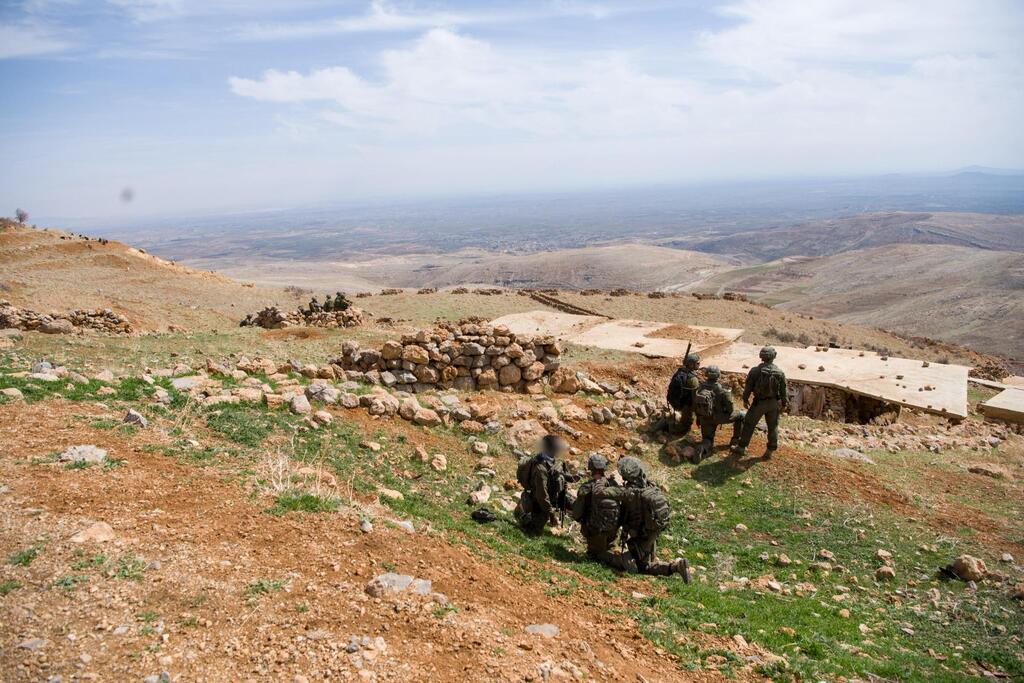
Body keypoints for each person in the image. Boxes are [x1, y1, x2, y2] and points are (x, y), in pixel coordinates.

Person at [606, 457, 689, 580]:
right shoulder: (649, 486)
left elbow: (622, 518)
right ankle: (653, 556)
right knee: (647, 555)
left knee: (643, 567)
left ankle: (675, 567)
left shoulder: (631, 494)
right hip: (653, 531)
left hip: (642, 534)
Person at [732, 346, 788, 458]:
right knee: (773, 426)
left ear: (761, 357)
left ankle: (742, 447)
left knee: (749, 424)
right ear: (774, 357)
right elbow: (783, 391)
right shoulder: (780, 373)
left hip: (759, 403)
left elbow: (748, 388)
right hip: (773, 404)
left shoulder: (755, 371)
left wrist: (745, 399)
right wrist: (784, 404)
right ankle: (770, 451)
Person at [515, 435, 570, 535]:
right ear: (552, 448)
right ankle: (524, 515)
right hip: (538, 502)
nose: (559, 449)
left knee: (572, 502)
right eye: (557, 447)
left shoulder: (548, 459)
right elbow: (542, 495)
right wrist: (551, 513)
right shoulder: (541, 469)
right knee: (534, 532)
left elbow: (554, 473)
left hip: (547, 496)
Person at [570, 453, 622, 562]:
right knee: (608, 548)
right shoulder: (613, 484)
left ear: (591, 468)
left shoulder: (586, 487)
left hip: (594, 531)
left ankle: (609, 558)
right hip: (613, 530)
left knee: (595, 556)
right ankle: (612, 548)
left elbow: (577, 513)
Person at [693, 365, 745, 462]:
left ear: (707, 374)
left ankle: (703, 447)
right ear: (718, 375)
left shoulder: (700, 387)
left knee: (707, 439)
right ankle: (735, 441)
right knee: (741, 416)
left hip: (704, 418)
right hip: (719, 417)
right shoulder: (723, 390)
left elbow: (695, 405)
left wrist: (699, 418)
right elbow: (730, 409)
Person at [666, 352, 701, 437]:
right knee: (687, 421)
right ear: (691, 365)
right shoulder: (693, 379)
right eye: (697, 363)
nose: (699, 364)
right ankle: (681, 430)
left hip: (679, 400)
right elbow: (695, 396)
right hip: (686, 404)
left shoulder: (681, 371)